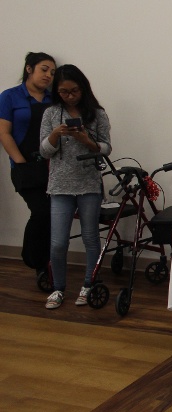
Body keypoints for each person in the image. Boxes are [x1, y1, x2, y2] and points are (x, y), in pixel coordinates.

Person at [39, 64, 111, 309]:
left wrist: (85, 140)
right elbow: (44, 151)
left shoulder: (97, 114)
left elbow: (106, 148)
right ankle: (58, 287)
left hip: (89, 184)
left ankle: (88, 285)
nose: (69, 96)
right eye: (64, 92)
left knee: (91, 237)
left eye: (74, 91)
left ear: (83, 88)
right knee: (58, 242)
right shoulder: (50, 114)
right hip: (59, 186)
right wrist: (55, 135)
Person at [0, 52, 56, 280]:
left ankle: (48, 262)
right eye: (44, 69)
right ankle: (35, 260)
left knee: (54, 214)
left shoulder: (53, 99)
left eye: (52, 72)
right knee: (41, 212)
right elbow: (4, 133)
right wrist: (20, 163)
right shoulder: (10, 97)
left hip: (52, 167)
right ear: (29, 68)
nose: (48, 76)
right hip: (24, 167)